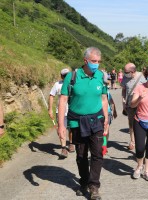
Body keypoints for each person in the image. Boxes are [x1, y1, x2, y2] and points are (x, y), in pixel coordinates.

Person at [58, 47, 109, 200]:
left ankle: (94, 186)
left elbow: (104, 99)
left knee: (97, 154)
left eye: (99, 61)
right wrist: (61, 125)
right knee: (81, 155)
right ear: (85, 60)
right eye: (94, 61)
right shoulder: (72, 77)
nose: (97, 64)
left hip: (97, 121)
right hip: (77, 122)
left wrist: (106, 119)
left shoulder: (101, 76)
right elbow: (63, 101)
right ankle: (84, 182)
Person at [48, 68, 74, 159]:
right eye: (64, 75)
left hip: (72, 110)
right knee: (61, 128)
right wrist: (50, 109)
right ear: (61, 76)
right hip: (61, 111)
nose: (66, 77)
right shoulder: (57, 84)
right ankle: (63, 148)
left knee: (71, 129)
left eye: (67, 75)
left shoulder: (73, 83)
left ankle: (71, 143)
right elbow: (51, 95)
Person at [121, 63, 147, 150]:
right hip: (130, 105)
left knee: (142, 124)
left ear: (132, 71)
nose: (125, 73)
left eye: (126, 72)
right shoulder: (125, 78)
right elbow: (123, 90)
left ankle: (142, 142)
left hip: (142, 105)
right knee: (131, 124)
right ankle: (132, 141)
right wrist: (123, 101)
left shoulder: (142, 77)